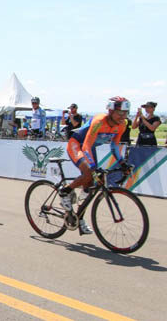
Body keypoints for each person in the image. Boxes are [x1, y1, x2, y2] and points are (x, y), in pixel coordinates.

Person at [60, 96, 131, 235]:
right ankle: (65, 192)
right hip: (77, 144)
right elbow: (86, 145)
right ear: (110, 111)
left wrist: (123, 163)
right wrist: (92, 167)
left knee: (91, 184)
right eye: (120, 113)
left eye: (126, 112)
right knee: (88, 173)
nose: (123, 116)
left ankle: (78, 218)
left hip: (89, 148)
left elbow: (114, 147)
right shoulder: (99, 121)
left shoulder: (122, 124)